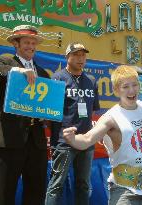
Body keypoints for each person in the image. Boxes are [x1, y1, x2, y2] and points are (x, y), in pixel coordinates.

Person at [63, 65, 142, 205]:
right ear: (116, 90)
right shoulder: (111, 117)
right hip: (125, 191)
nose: (131, 90)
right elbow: (87, 139)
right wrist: (73, 139)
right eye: (125, 87)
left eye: (134, 85)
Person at [0, 25, 49, 205]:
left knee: (36, 192)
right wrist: (19, 71)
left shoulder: (43, 73)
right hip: (10, 139)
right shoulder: (5, 61)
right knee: (4, 192)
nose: (31, 46)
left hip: (37, 142)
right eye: (26, 42)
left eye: (33, 43)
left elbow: (48, 106)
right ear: (15, 44)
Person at [45, 42, 100, 205]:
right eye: (76, 54)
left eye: (83, 55)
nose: (80, 58)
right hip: (63, 142)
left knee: (83, 185)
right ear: (67, 57)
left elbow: (93, 111)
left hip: (86, 142)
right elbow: (49, 112)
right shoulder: (57, 78)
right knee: (56, 185)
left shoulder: (91, 80)